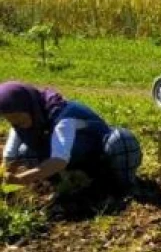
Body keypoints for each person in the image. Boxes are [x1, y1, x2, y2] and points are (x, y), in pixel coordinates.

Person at [0, 81, 142, 194]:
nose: (17, 124)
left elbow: (58, 161)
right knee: (26, 152)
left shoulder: (63, 118)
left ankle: (124, 187)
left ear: (29, 107)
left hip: (99, 152)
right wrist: (5, 175)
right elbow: (10, 156)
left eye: (19, 118)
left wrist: (22, 179)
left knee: (121, 142)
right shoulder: (24, 122)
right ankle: (70, 181)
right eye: (12, 121)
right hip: (75, 154)